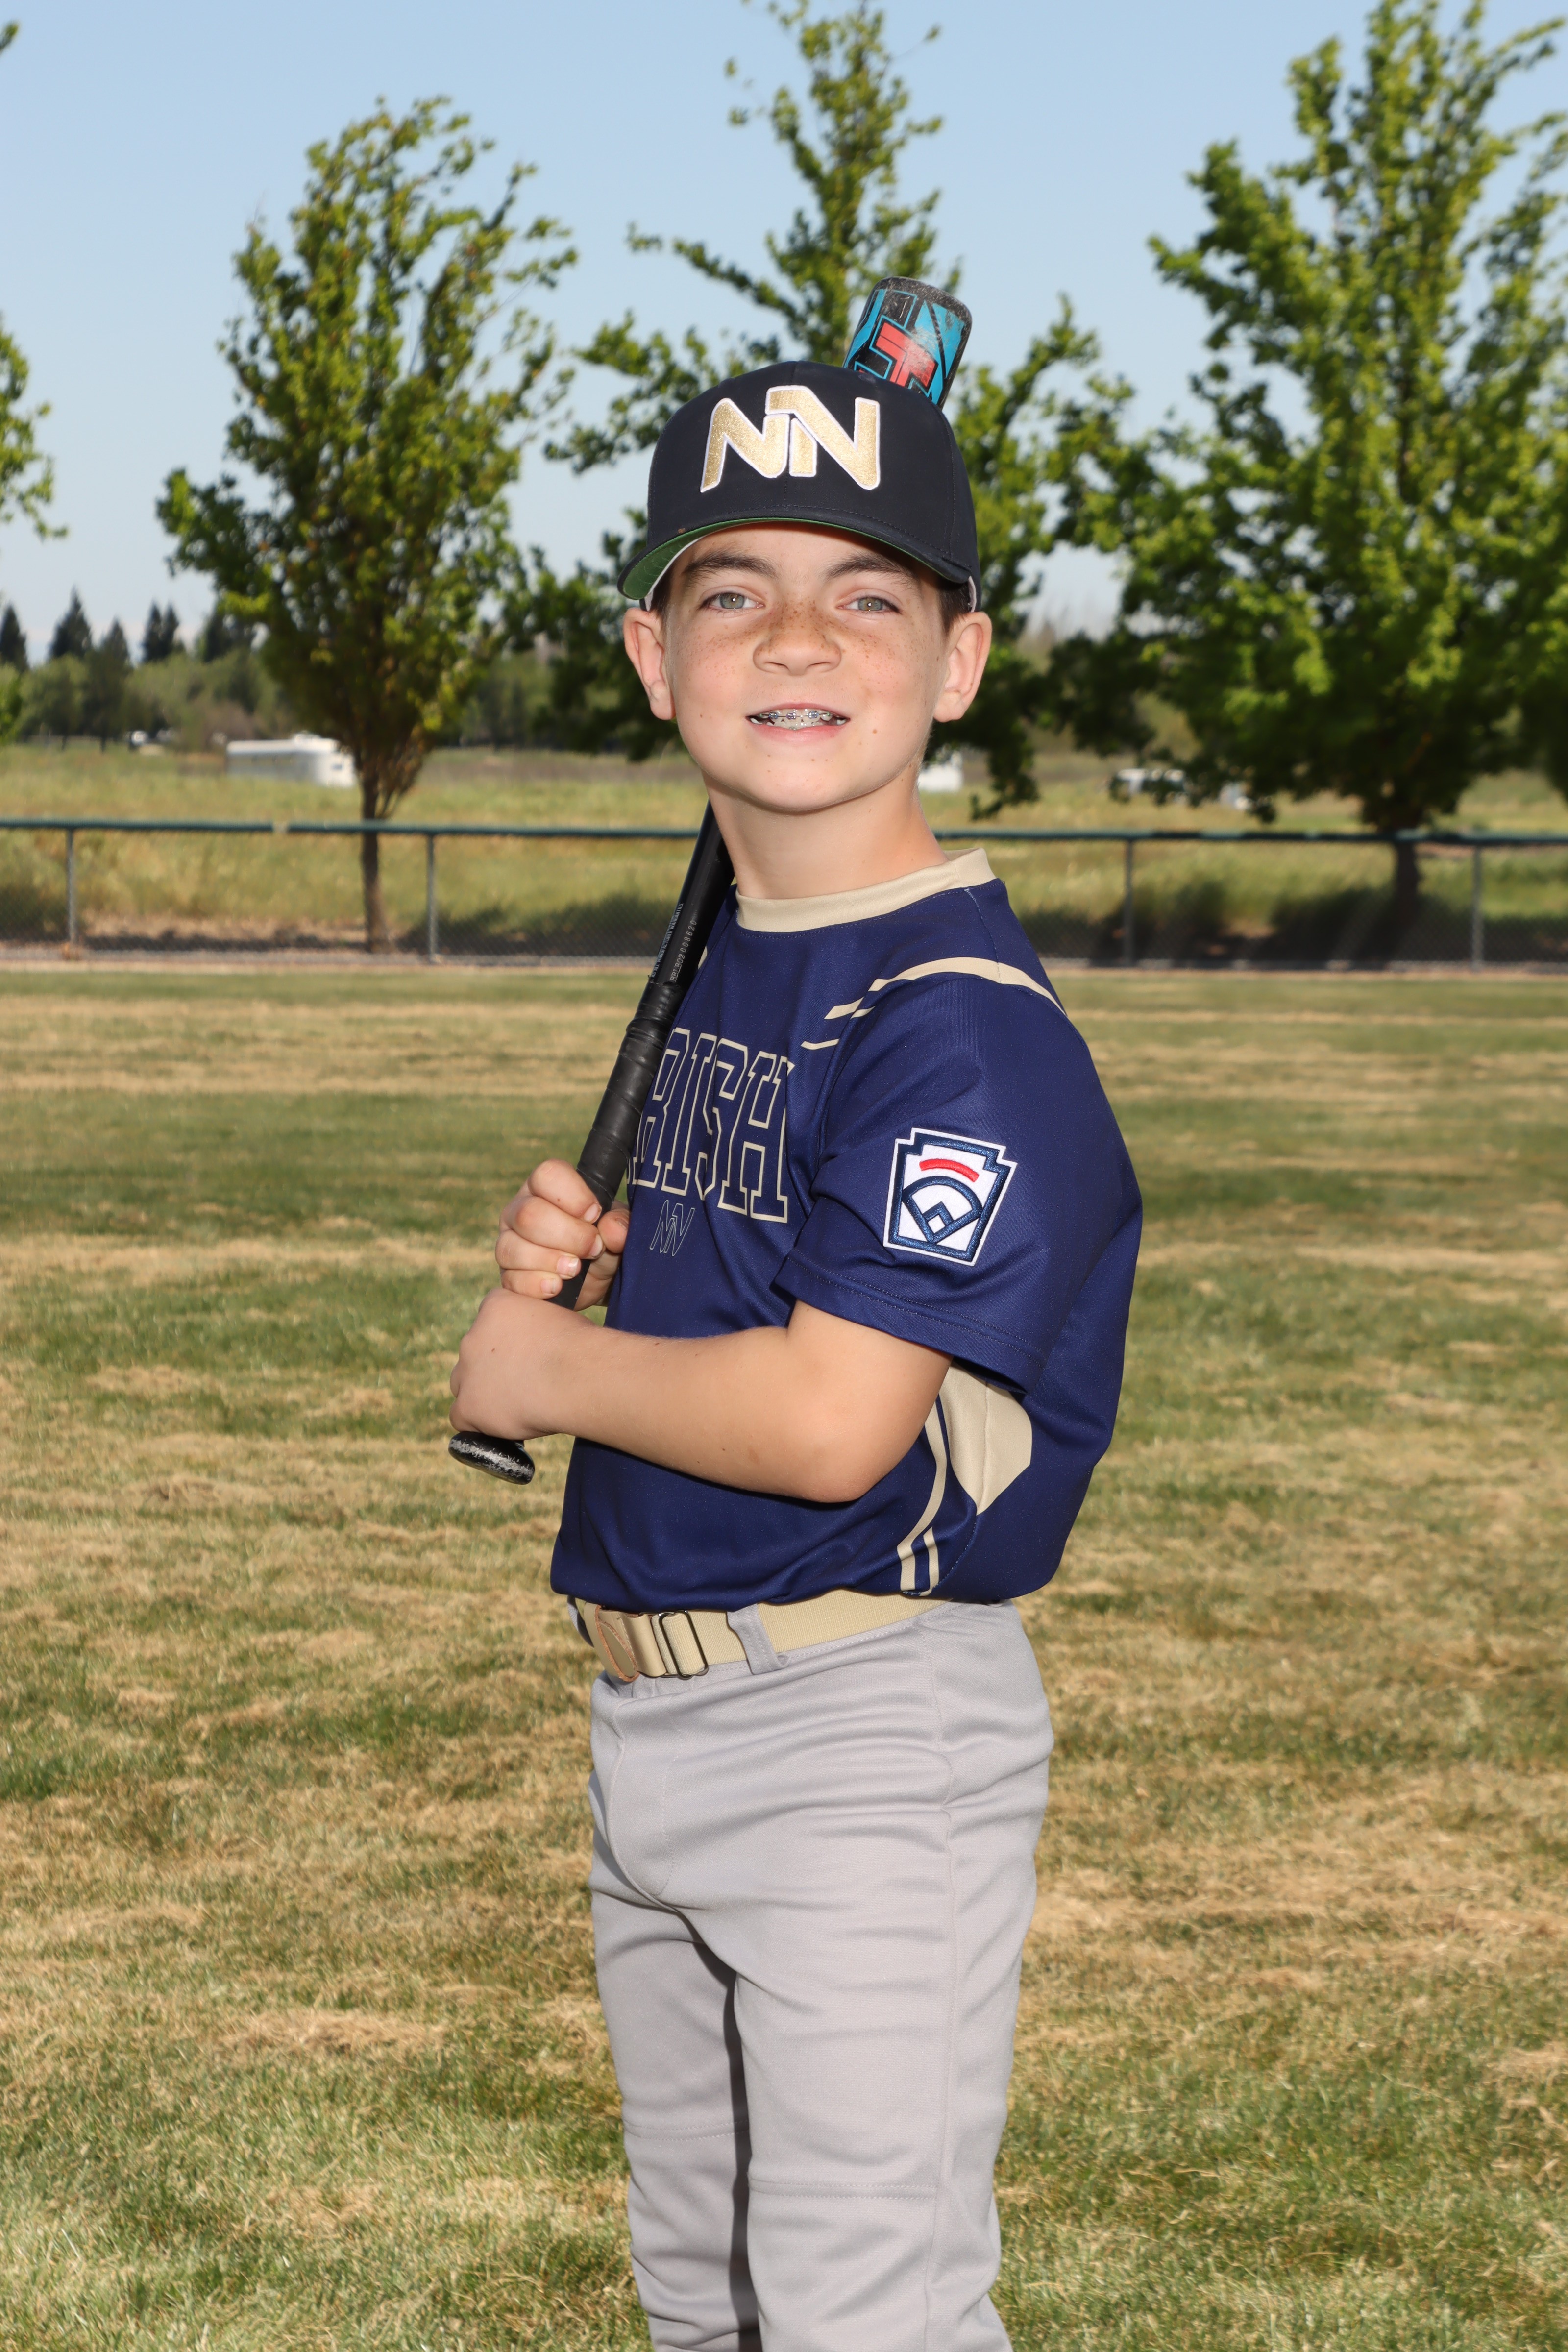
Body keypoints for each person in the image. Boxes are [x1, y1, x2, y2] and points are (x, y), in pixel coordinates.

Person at [450, 356, 1141, 2352]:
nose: (798, 639)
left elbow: (837, 1420)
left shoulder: (959, 1023)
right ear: (653, 658)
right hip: (659, 1709)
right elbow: (754, 1296)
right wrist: (605, 1272)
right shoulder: (753, 959)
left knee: (860, 2315)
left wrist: (540, 1371)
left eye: (867, 597)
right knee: (711, 2304)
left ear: (959, 663)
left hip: (857, 1732)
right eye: (734, 592)